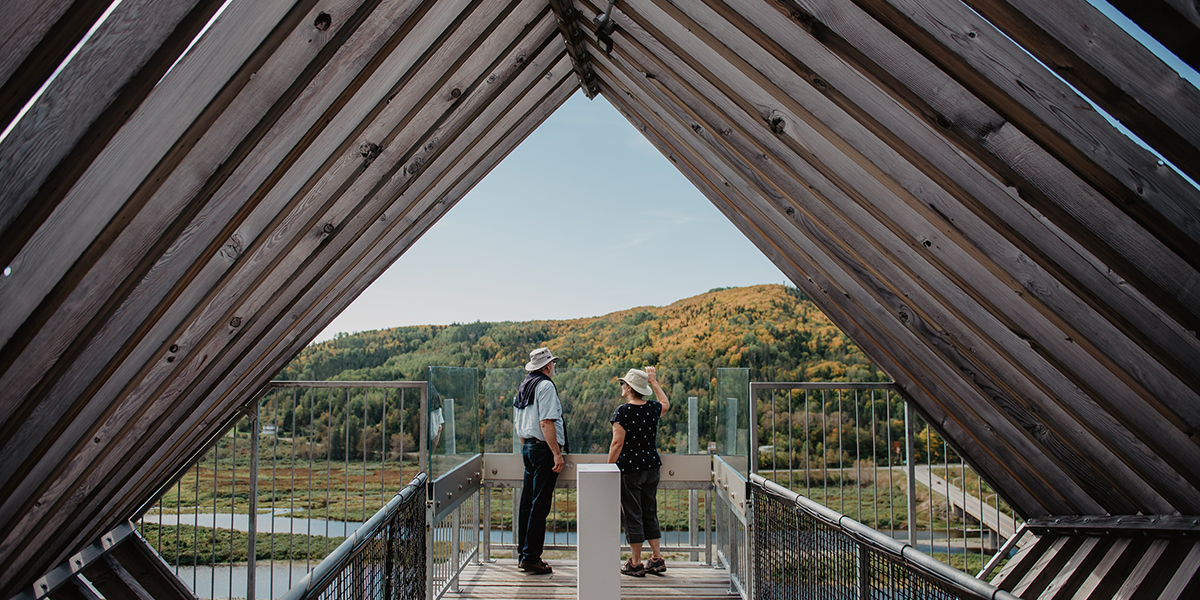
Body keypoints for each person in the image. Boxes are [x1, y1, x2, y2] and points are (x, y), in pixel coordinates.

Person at [607, 366, 669, 577]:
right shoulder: (652, 408)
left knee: (633, 515)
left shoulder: (622, 412)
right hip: (652, 467)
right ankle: (657, 557)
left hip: (630, 470)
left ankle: (635, 562)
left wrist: (608, 466)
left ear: (630, 388)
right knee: (649, 511)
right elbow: (666, 404)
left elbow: (617, 443)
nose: (622, 386)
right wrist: (654, 381)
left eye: (623, 383)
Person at [513, 347, 567, 574]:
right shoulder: (545, 386)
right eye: (552, 363)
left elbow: (518, 424)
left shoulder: (525, 386)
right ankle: (532, 557)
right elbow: (546, 422)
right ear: (546, 366)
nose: (553, 366)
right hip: (543, 450)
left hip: (528, 448)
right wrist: (556, 453)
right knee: (539, 505)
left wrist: (527, 446)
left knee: (527, 503)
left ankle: (523, 553)